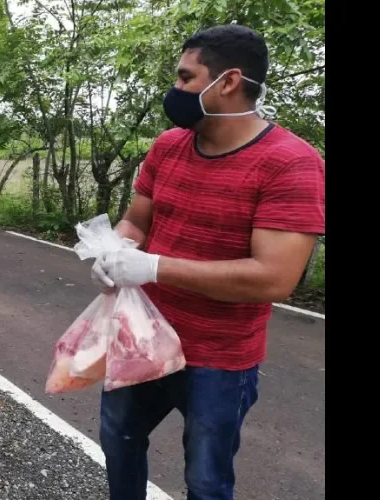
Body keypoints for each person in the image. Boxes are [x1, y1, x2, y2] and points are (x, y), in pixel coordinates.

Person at [89, 25, 325, 500]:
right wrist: (115, 251)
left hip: (218, 360)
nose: (175, 90)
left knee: (206, 480)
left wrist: (155, 268)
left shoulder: (291, 163)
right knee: (119, 440)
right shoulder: (168, 146)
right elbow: (136, 220)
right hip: (144, 337)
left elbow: (274, 278)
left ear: (229, 81)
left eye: (184, 77)